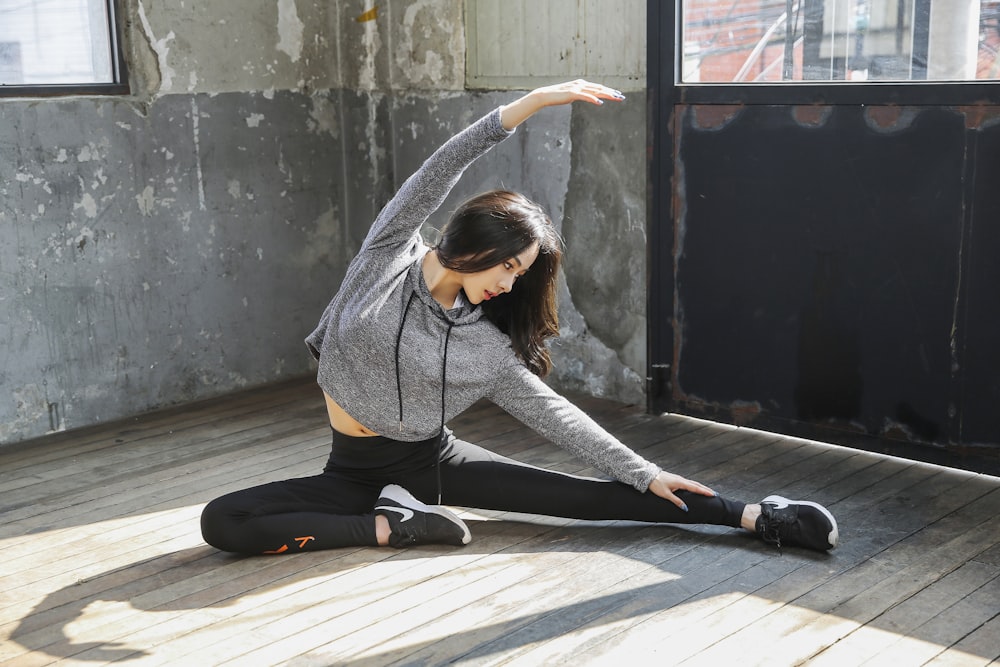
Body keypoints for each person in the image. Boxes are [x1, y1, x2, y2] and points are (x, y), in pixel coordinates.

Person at [200, 80, 838, 555]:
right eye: (509, 268)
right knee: (221, 522)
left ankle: (756, 515)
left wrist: (641, 470)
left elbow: (554, 414)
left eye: (519, 278)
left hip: (430, 463)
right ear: (481, 245)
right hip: (353, 473)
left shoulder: (484, 345)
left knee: (589, 500)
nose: (510, 285)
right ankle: (391, 527)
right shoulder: (387, 256)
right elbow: (438, 170)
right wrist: (524, 108)